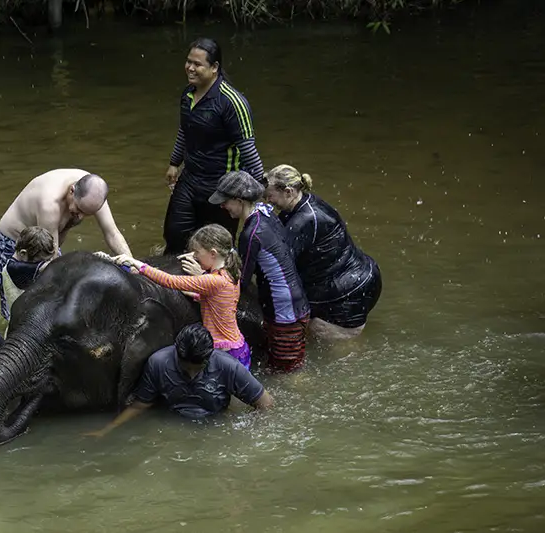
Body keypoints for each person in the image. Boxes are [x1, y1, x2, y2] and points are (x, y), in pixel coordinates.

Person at [163, 37, 265, 256]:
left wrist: (257, 196)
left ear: (214, 67)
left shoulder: (232, 102)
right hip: (189, 179)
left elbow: (249, 151)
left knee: (216, 250)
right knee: (174, 236)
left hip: (221, 187)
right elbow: (185, 131)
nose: (190, 68)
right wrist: (174, 163)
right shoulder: (188, 94)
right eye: (188, 61)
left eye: (197, 64)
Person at [84, 324, 273, 437]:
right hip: (174, 426)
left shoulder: (227, 366)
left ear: (208, 357)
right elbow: (141, 404)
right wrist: (108, 429)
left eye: (197, 368)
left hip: (214, 425)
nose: (191, 373)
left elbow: (266, 404)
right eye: (185, 367)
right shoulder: (158, 363)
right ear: (176, 352)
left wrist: (246, 434)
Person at [265, 164, 383, 341]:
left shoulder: (304, 220)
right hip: (360, 277)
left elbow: (279, 263)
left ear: (288, 192)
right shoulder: (303, 203)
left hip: (348, 291)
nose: (268, 201)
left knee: (337, 351)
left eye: (270, 195)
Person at [208, 170, 311, 372]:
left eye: (225, 202)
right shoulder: (265, 212)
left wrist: (203, 275)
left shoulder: (251, 233)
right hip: (297, 302)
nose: (222, 206)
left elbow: (241, 279)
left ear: (239, 200)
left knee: (286, 372)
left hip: (284, 313)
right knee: (287, 363)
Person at [0, 168, 133, 319]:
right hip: (17, 242)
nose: (81, 216)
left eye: (88, 214)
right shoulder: (49, 204)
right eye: (79, 209)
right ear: (71, 191)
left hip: (48, 245)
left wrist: (133, 266)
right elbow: (51, 261)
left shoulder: (94, 192)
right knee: (18, 309)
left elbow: (112, 233)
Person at [112, 224, 251, 368]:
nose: (195, 256)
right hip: (236, 346)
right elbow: (219, 301)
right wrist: (197, 295)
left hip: (223, 351)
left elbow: (170, 281)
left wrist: (139, 265)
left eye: (197, 252)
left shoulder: (213, 280)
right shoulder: (230, 273)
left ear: (213, 253)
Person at [1, 226, 57, 317]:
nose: (43, 263)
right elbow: (45, 266)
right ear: (23, 253)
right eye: (40, 261)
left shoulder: (22, 264)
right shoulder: (13, 268)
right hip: (22, 321)